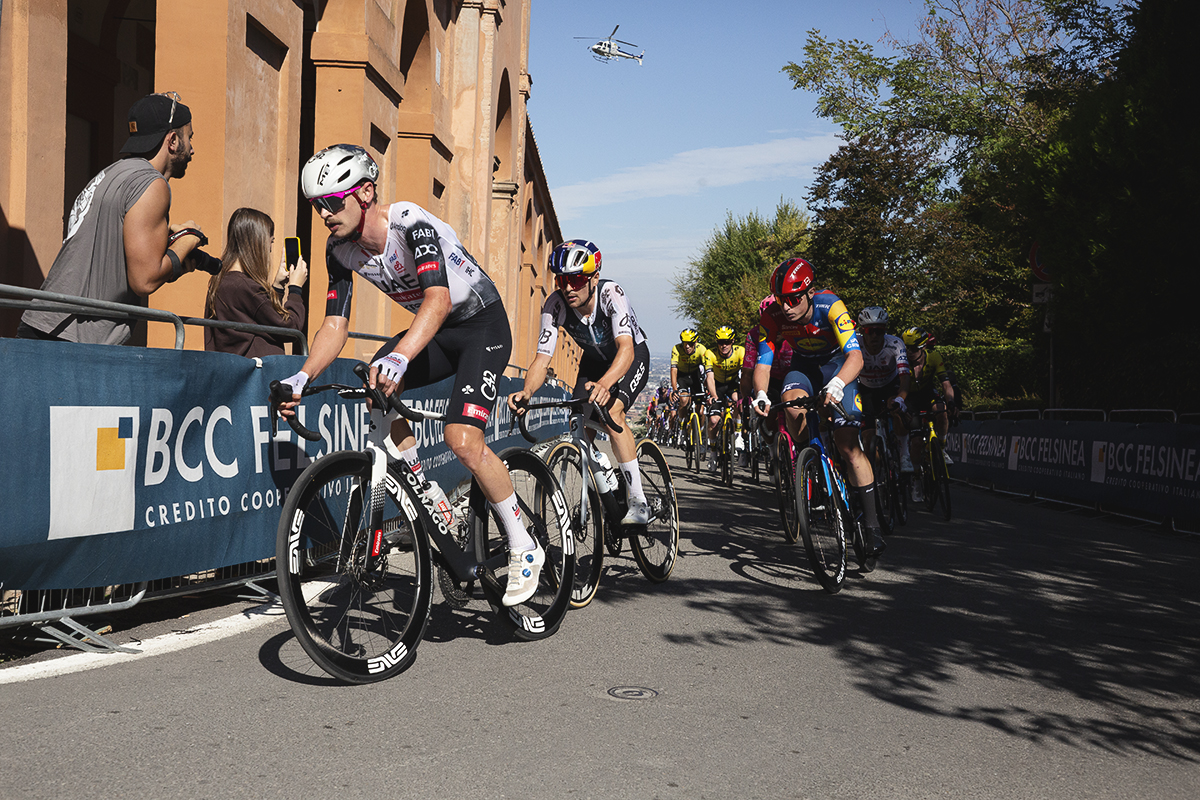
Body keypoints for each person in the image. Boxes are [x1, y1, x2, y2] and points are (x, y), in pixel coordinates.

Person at [277, 144, 540, 607]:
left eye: (333, 202)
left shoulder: (410, 224)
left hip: (480, 325)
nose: (324, 215)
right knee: (373, 385)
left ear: (365, 193)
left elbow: (437, 298)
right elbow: (334, 324)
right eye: (317, 205)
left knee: (462, 439)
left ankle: (523, 545)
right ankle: (426, 489)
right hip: (436, 332)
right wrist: (303, 375)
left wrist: (400, 357)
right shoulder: (339, 251)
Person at [19, 92, 218, 344]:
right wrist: (188, 240)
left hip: (42, 327)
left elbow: (113, 252)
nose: (192, 149)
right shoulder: (152, 184)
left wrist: (170, 253)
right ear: (172, 140)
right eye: (189, 138)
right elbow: (144, 280)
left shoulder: (113, 173)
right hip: (73, 340)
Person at [507, 239, 653, 525]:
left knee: (613, 413)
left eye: (576, 279)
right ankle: (602, 491)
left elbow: (626, 349)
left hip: (631, 355)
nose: (568, 287)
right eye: (562, 280)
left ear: (594, 277)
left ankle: (639, 501)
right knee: (578, 425)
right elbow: (542, 359)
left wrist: (607, 383)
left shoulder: (612, 294)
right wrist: (526, 391)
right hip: (594, 361)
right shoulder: (555, 304)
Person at [751, 257, 885, 556]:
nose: (787, 307)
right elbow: (763, 362)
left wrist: (837, 385)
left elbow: (856, 357)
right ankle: (810, 462)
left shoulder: (831, 306)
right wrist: (760, 393)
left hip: (838, 366)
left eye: (794, 299)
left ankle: (873, 525)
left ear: (809, 292)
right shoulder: (772, 316)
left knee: (849, 446)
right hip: (803, 368)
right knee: (790, 404)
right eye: (781, 299)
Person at [204, 208, 308, 357]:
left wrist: (277, 287)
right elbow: (290, 330)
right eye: (270, 241)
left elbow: (261, 318)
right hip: (255, 375)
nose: (270, 249)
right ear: (257, 242)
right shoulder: (245, 287)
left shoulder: (221, 280)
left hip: (234, 371)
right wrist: (295, 290)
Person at [902, 325, 958, 499]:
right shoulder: (902, 361)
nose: (909, 352)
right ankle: (917, 479)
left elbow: (946, 384)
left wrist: (951, 402)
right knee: (917, 442)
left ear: (923, 347)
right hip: (909, 398)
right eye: (907, 348)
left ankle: (941, 446)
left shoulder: (933, 357)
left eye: (914, 349)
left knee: (942, 412)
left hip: (927, 393)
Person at [855, 306, 912, 472]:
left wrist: (900, 399)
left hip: (890, 385)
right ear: (862, 331)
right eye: (869, 331)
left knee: (897, 411)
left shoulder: (895, 344)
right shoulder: (855, 344)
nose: (874, 336)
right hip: (866, 388)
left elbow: (905, 377)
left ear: (885, 331)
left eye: (879, 331)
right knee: (868, 439)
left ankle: (904, 455)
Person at [738, 295, 793, 466]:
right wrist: (745, 398)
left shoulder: (793, 330)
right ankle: (771, 449)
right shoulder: (754, 335)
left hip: (790, 377)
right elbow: (747, 372)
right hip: (768, 381)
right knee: (769, 414)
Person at [702, 325, 745, 473]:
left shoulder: (740, 352)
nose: (724, 345)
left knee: (738, 401)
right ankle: (713, 452)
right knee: (713, 420)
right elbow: (710, 377)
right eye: (720, 342)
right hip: (717, 386)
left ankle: (738, 435)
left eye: (727, 341)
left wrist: (745, 392)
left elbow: (745, 374)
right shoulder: (710, 354)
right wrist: (713, 396)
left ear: (732, 340)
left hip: (732, 384)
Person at [670, 328, 709, 443]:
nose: (687, 346)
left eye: (690, 344)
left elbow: (708, 371)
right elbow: (673, 370)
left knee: (701, 411)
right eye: (684, 343)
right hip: (681, 377)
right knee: (684, 400)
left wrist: (708, 388)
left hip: (695, 377)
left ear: (696, 342)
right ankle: (681, 427)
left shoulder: (702, 349)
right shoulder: (676, 349)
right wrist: (675, 389)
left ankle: (700, 435)